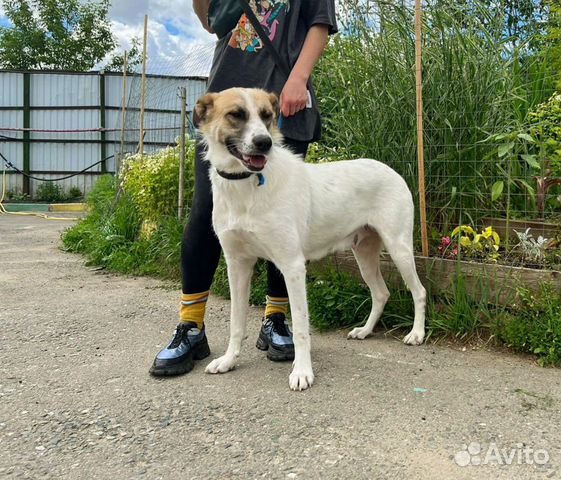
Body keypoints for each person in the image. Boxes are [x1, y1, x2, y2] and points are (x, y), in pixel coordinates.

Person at [150, 0, 338, 376]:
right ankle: (191, 324)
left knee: (284, 223)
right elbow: (211, 23)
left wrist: (298, 80)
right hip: (228, 101)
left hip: (284, 98)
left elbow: (320, 21)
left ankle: (276, 319)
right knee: (206, 216)